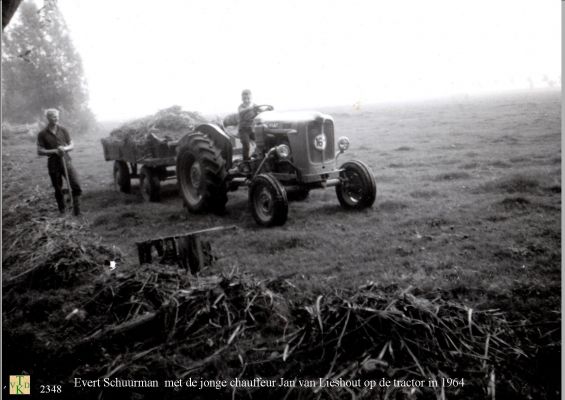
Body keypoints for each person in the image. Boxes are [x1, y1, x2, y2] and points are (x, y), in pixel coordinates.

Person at [37, 109, 82, 215]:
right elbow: (39, 151)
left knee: (76, 185)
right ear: (48, 118)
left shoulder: (63, 130)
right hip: (53, 164)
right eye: (53, 116)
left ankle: (77, 211)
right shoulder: (42, 134)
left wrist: (65, 149)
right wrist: (55, 151)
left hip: (66, 161)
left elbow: (71, 145)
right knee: (58, 188)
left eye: (57, 116)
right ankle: (62, 211)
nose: (56, 118)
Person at [238, 89, 257, 161]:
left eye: (248, 98)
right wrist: (250, 108)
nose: (246, 100)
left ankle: (257, 156)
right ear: (242, 99)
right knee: (246, 145)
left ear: (251, 98)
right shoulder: (241, 107)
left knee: (261, 142)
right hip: (243, 130)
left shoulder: (254, 105)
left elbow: (259, 110)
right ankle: (246, 161)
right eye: (245, 99)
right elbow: (241, 112)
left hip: (252, 129)